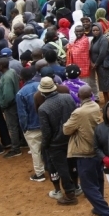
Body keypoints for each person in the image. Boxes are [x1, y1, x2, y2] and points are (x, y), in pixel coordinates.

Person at [62, 84, 109, 216]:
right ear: (91, 95)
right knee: (98, 180)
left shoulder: (79, 113)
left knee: (87, 185)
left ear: (79, 97)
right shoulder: (96, 107)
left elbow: (66, 130)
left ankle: (105, 211)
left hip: (85, 152)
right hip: (97, 151)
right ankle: (99, 207)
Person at [37, 76, 78, 205]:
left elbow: (46, 132)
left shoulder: (43, 108)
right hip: (71, 138)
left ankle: (70, 195)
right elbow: (74, 115)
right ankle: (76, 187)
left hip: (56, 143)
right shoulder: (67, 97)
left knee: (62, 168)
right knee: (73, 164)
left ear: (43, 92)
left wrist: (44, 146)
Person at [0, 57, 22, 158]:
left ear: (1, 66)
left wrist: (3, 105)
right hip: (15, 102)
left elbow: (8, 96)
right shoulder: (12, 71)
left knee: (12, 127)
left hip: (10, 105)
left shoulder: (6, 78)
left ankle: (16, 149)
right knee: (17, 124)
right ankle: (21, 142)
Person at [89, 24, 109, 102]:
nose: (95, 32)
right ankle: (107, 102)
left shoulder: (103, 39)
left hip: (104, 66)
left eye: (97, 30)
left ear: (101, 30)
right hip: (99, 67)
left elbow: (102, 53)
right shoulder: (94, 40)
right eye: (93, 30)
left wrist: (95, 64)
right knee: (103, 85)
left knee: (108, 85)